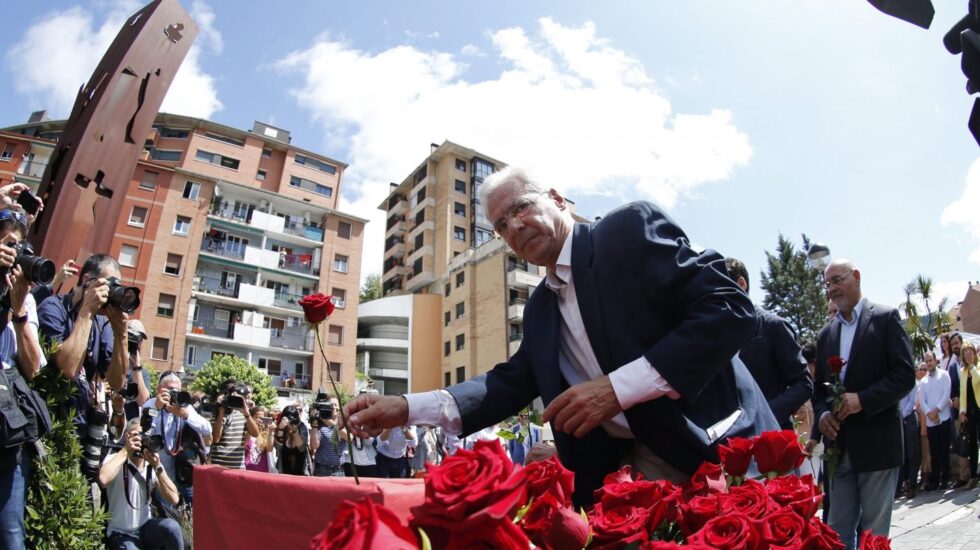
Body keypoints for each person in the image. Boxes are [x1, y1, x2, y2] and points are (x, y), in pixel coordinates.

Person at [343, 167, 778, 506]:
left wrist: (615, 390)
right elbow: (507, 383)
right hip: (623, 480)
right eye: (500, 226)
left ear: (555, 198)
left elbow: (729, 309)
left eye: (520, 208)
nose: (513, 228)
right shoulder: (540, 309)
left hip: (719, 454)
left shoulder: (626, 231)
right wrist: (405, 407)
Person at [814, 259, 915, 549]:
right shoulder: (826, 335)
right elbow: (818, 392)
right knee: (835, 534)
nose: (831, 288)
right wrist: (822, 416)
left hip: (877, 447)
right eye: (827, 283)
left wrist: (863, 400)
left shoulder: (885, 318)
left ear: (856, 277)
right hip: (839, 450)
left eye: (837, 279)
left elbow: (905, 375)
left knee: (874, 537)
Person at [38, 254, 130, 440]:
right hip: (48, 423)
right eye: (109, 284)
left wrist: (122, 335)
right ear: (87, 280)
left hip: (79, 429)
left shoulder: (100, 323)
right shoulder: (53, 307)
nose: (111, 292)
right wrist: (87, 310)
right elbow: (68, 369)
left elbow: (116, 382)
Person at [0, 206, 50, 549]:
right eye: (5, 243)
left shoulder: (24, 299)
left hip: (7, 427)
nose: (12, 253)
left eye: (17, 246)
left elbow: (34, 368)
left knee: (11, 533)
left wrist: (17, 308)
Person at [725, 258, 812, 429]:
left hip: (771, 438)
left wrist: (765, 414)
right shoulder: (721, 336)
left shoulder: (774, 326)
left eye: (721, 291)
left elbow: (804, 384)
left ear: (741, 284)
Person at [99, 419, 182, 550]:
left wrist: (158, 466)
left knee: (172, 527)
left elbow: (174, 498)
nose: (143, 440)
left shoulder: (150, 465)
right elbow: (103, 479)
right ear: (128, 436)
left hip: (145, 527)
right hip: (120, 532)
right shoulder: (115, 459)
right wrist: (126, 450)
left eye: (147, 436)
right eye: (139, 435)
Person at [143, 371, 212, 506]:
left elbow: (207, 429)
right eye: (169, 390)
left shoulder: (184, 407)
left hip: (175, 469)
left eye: (177, 391)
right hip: (151, 466)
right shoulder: (150, 405)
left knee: (170, 508)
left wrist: (186, 416)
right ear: (158, 390)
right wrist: (157, 409)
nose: (173, 394)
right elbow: (143, 431)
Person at [918, 352, 951, 491]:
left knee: (944, 451)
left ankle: (945, 480)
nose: (929, 363)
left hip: (944, 419)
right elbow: (922, 401)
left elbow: (946, 394)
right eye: (926, 361)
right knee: (934, 453)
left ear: (935, 360)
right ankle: (935, 480)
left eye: (930, 360)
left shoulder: (944, 375)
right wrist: (930, 414)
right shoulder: (923, 382)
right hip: (931, 423)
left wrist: (937, 410)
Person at [209, 380, 258, 469]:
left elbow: (255, 433)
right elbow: (216, 439)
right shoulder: (216, 415)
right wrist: (220, 412)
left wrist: (246, 413)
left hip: (238, 468)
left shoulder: (243, 413)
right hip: (217, 466)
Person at [897, 363, 922, 499]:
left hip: (908, 419)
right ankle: (901, 485)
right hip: (898, 420)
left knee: (912, 453)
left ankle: (912, 484)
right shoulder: (896, 381)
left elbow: (911, 401)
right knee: (902, 455)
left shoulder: (911, 381)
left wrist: (901, 415)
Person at [957, 341, 980, 489]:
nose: (968, 354)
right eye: (965, 352)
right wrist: (962, 411)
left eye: (970, 351)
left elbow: (978, 379)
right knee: (972, 443)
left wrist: (972, 367)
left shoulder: (977, 368)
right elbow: (963, 393)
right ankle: (973, 476)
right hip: (970, 411)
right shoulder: (962, 372)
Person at [310, 401, 346, 477]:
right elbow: (314, 446)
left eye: (335, 405)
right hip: (322, 469)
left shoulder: (343, 423)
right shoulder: (320, 425)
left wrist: (332, 424)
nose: (333, 407)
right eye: (330, 405)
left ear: (339, 408)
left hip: (339, 470)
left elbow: (349, 437)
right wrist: (314, 422)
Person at [275, 405, 310, 476]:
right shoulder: (280, 428)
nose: (291, 421)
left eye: (294, 418)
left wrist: (295, 431)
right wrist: (281, 429)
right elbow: (278, 447)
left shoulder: (302, 427)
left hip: (301, 472)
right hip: (283, 473)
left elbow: (301, 448)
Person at [245, 407, 276, 473]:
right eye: (256, 418)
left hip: (263, 470)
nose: (259, 420)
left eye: (262, 418)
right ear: (251, 418)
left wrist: (271, 432)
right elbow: (244, 445)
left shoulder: (266, 433)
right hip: (247, 470)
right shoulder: (247, 432)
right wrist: (253, 427)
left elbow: (269, 449)